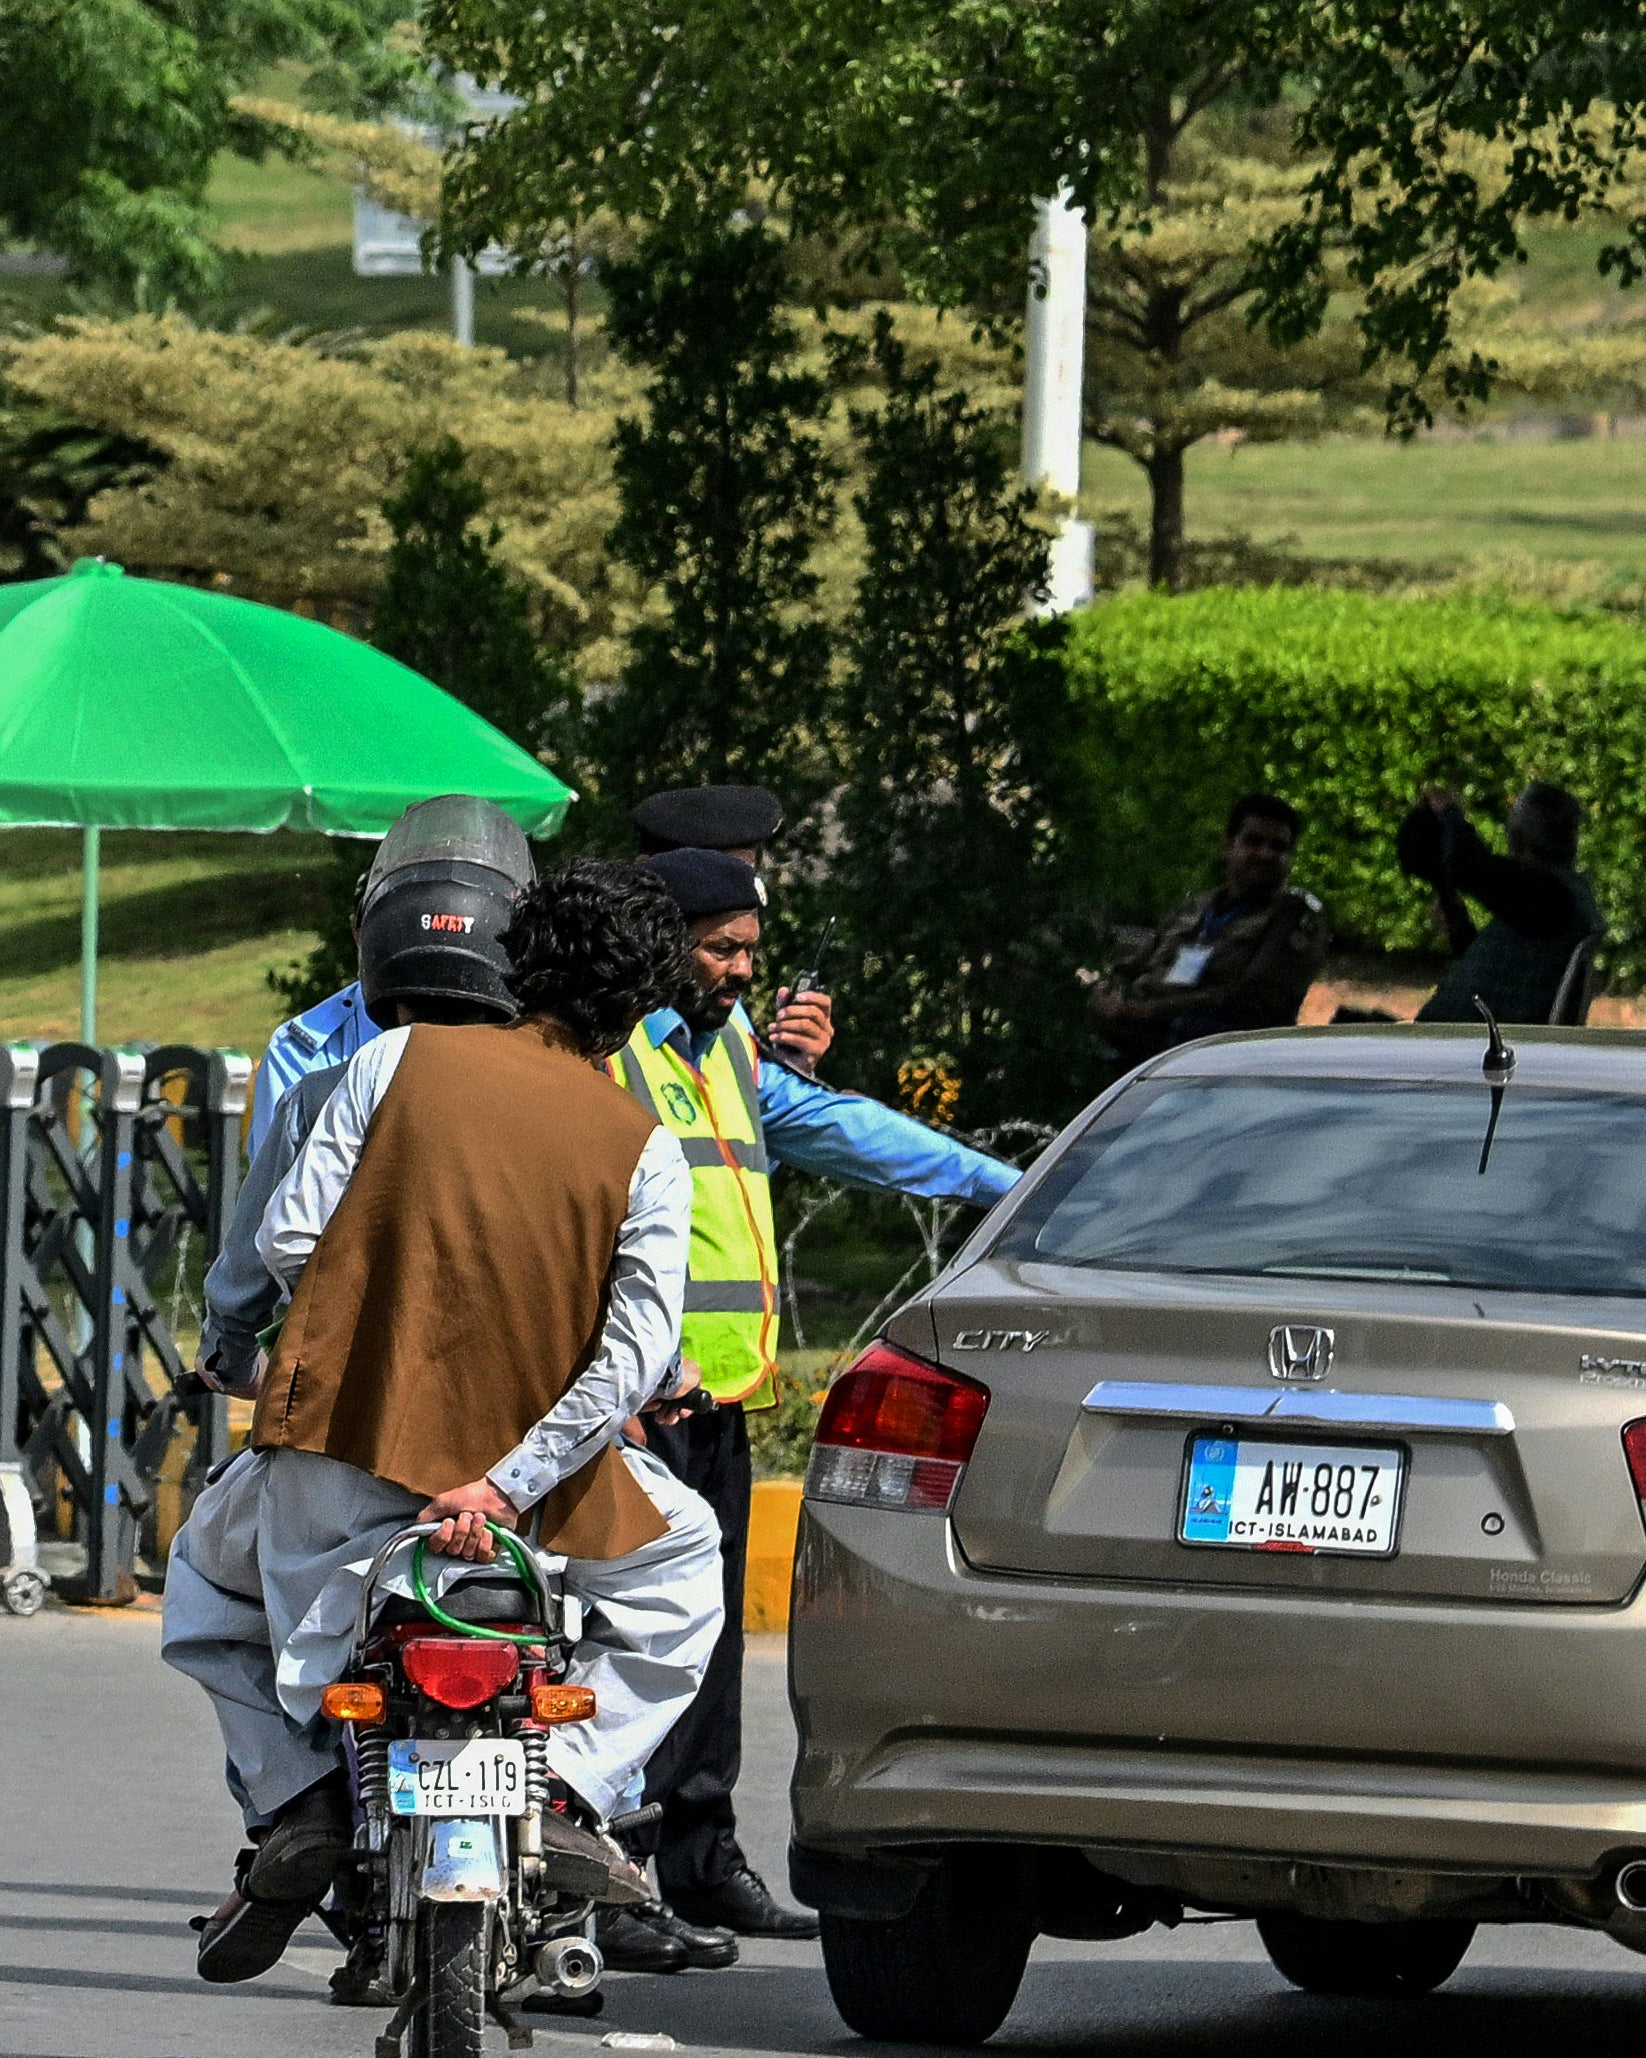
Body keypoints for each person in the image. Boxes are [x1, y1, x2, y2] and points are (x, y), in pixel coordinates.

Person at [170, 855, 735, 1995]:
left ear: (512, 960)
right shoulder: (641, 1146)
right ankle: (570, 1789)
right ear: (636, 1012)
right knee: (685, 1566)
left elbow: (287, 1239)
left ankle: (297, 1799)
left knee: (204, 1587)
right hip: (534, 1504)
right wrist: (505, 1477)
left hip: (342, 1458)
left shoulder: (387, 1060)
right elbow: (628, 1354)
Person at [617, 785, 1019, 1945]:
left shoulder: (721, 1039)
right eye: (725, 922)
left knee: (704, 1635)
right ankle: (624, 1862)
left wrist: (998, 1183)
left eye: (752, 928)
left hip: (719, 1389)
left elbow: (830, 1125)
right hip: (636, 1390)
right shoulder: (609, 1037)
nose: (749, 946)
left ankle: (696, 1852)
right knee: (632, 1631)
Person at [196, 796, 537, 1381]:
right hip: (512, 1404)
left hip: (353, 1392)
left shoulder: (321, 1096)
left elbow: (256, 1258)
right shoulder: (559, 1100)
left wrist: (227, 1356)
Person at [1091, 790, 1340, 1062]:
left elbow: (1249, 999)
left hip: (1216, 1053)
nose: (1266, 854)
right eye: (1253, 841)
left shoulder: (1293, 916)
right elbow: (1135, 965)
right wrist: (1108, 993)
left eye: (1279, 847)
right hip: (1139, 1033)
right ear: (1228, 845)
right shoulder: (1198, 906)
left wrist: (1146, 1012)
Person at [1398, 780, 1600, 1026]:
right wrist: (1459, 928)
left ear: (1517, 837)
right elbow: (1502, 976)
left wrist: (1449, 812)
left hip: (1456, 1046)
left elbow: (1467, 865)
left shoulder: (1546, 896)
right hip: (1463, 1040)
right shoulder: (1557, 899)